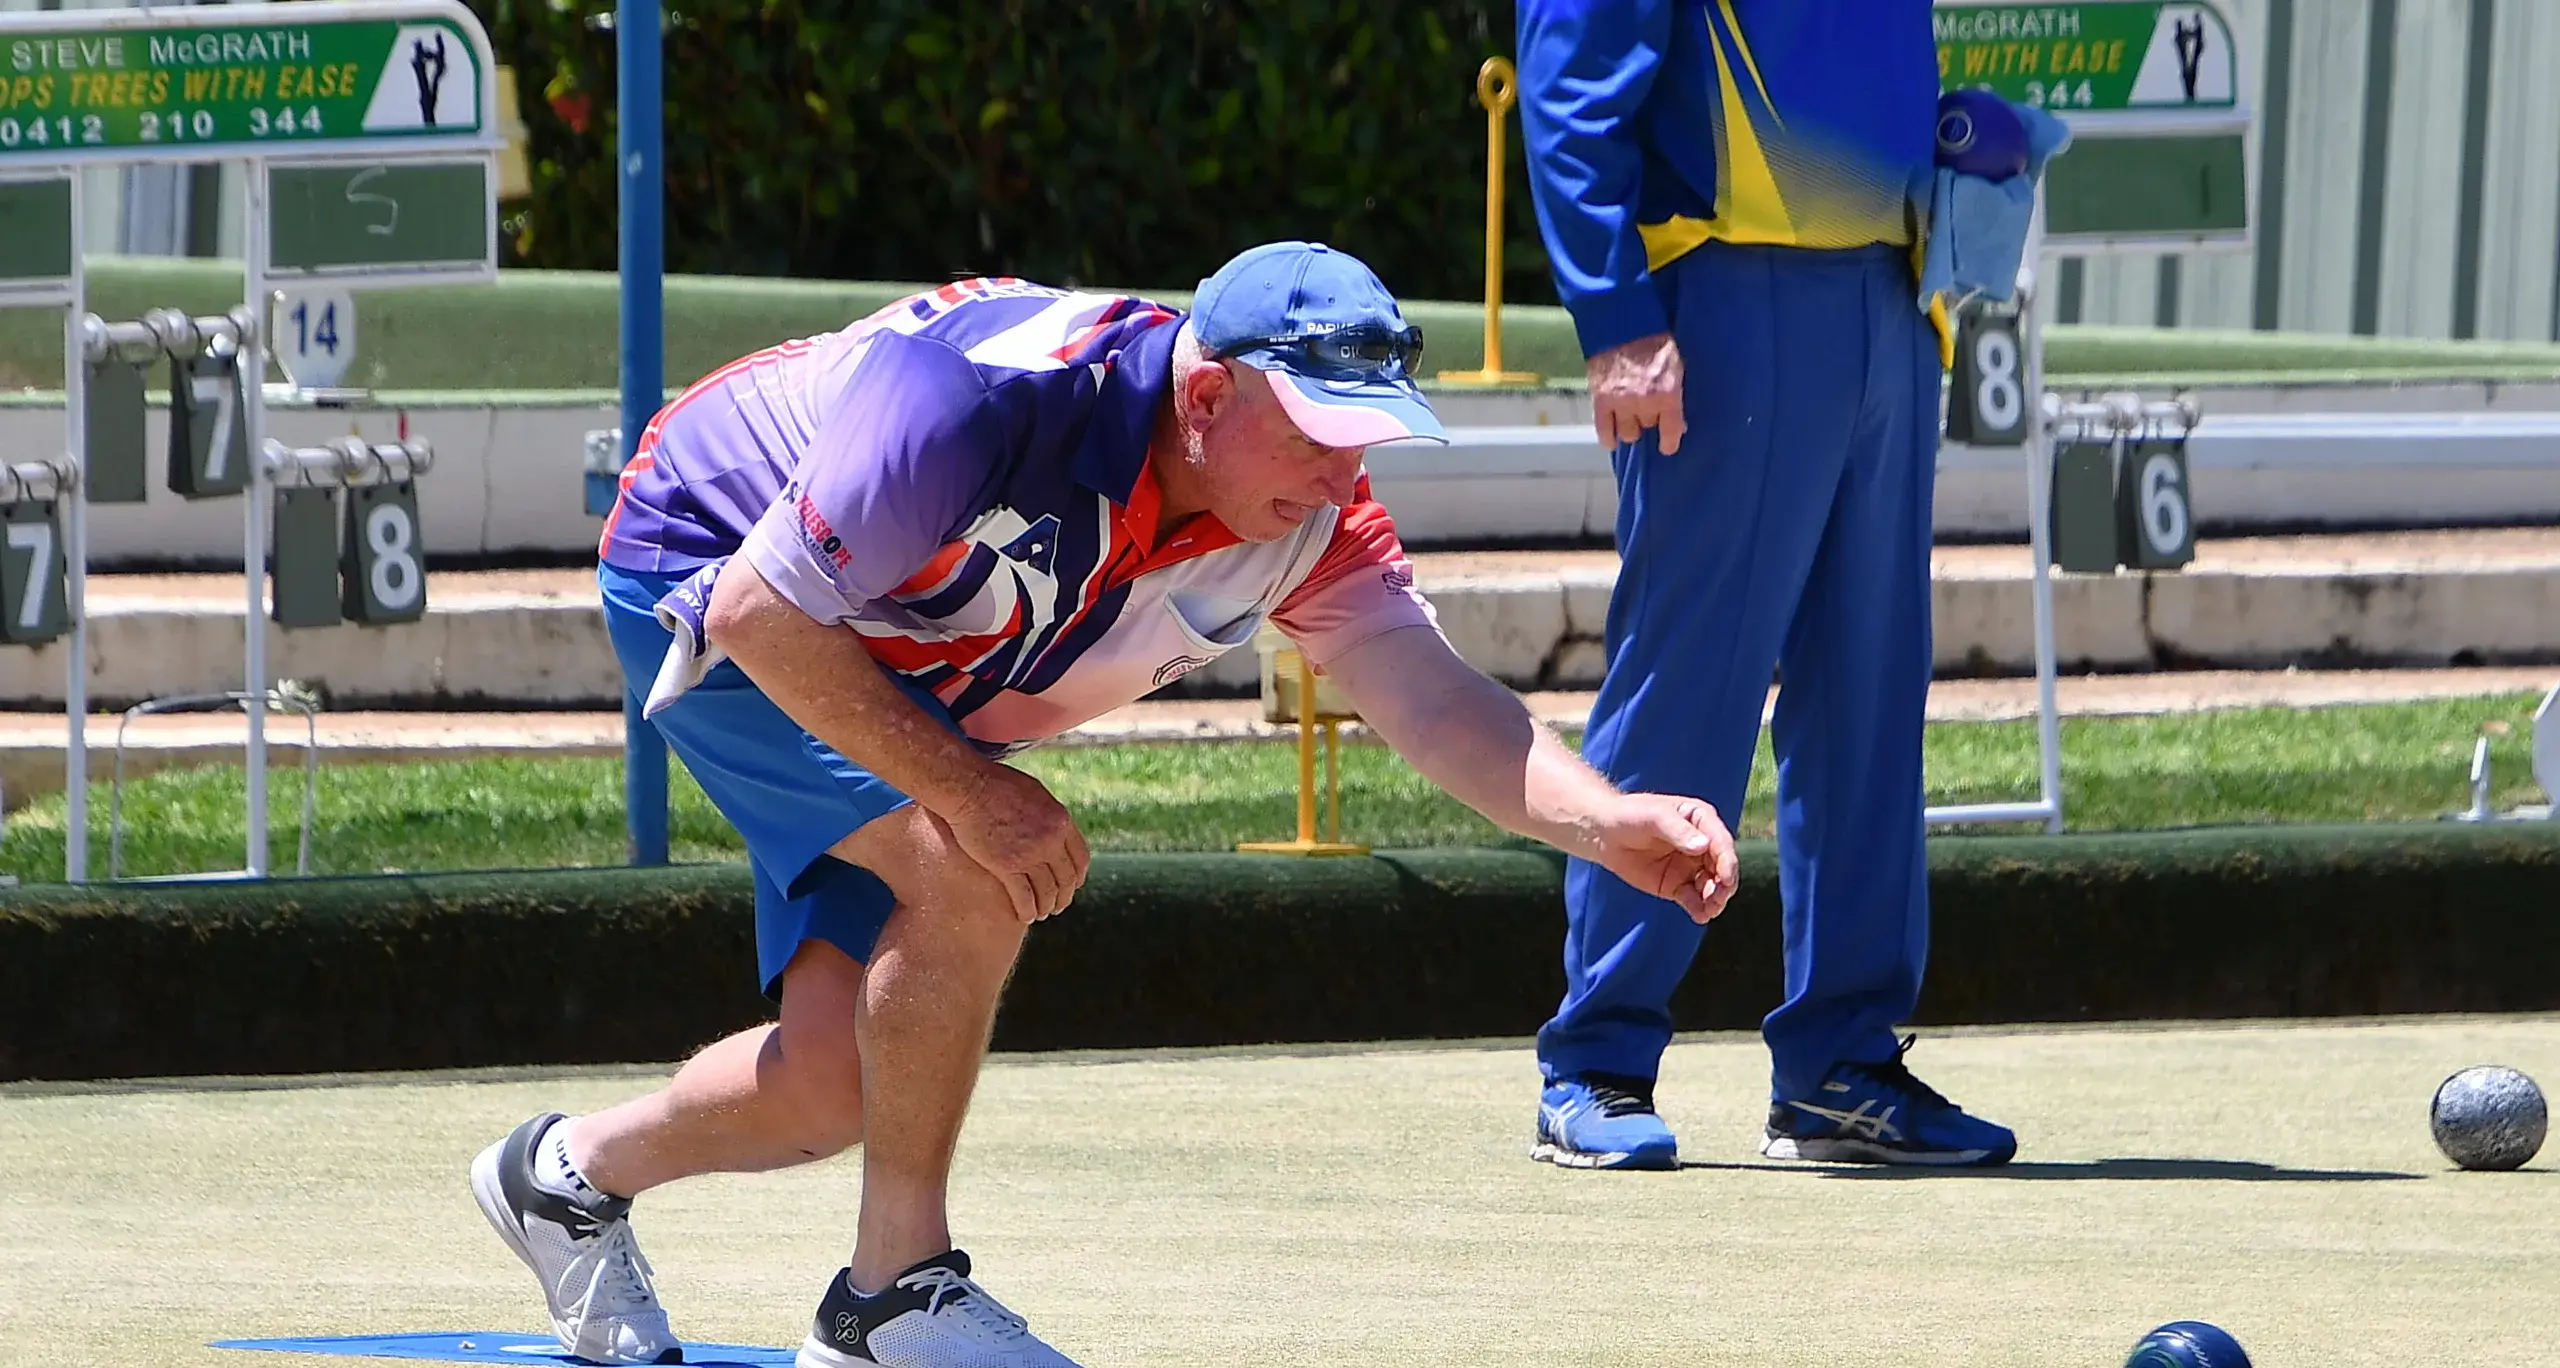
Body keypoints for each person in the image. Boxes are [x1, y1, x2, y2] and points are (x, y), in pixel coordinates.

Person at [469, 241, 1741, 1368]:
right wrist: (970, 788)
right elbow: (760, 611)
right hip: (719, 568)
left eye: (1363, 437)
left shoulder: (1305, 510)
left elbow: (1430, 694)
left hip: (912, 640)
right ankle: (886, 1299)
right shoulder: (976, 400)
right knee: (974, 857)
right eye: (1314, 432)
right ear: (1207, 395)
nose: (1339, 474)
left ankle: (564, 1178)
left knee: (833, 1088)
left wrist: (1605, 821)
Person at [1511, 2, 2019, 1170]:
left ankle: (1842, 1067)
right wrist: (1615, 316)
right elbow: (1571, 82)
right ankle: (1594, 1060)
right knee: (1691, 679)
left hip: (1893, 292)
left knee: (1868, 697)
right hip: (1726, 295)